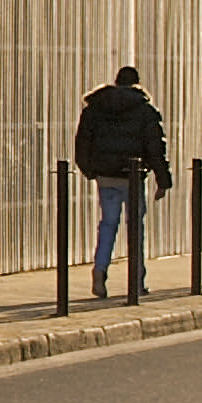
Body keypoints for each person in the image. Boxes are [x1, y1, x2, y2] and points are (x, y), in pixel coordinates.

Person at [75, 64, 172, 299]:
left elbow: (82, 142)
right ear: (136, 83)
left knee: (108, 224)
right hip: (133, 175)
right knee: (135, 227)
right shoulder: (144, 110)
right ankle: (136, 281)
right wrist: (163, 180)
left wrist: (91, 171)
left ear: (116, 82)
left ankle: (100, 270)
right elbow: (155, 146)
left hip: (106, 176)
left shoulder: (95, 108)